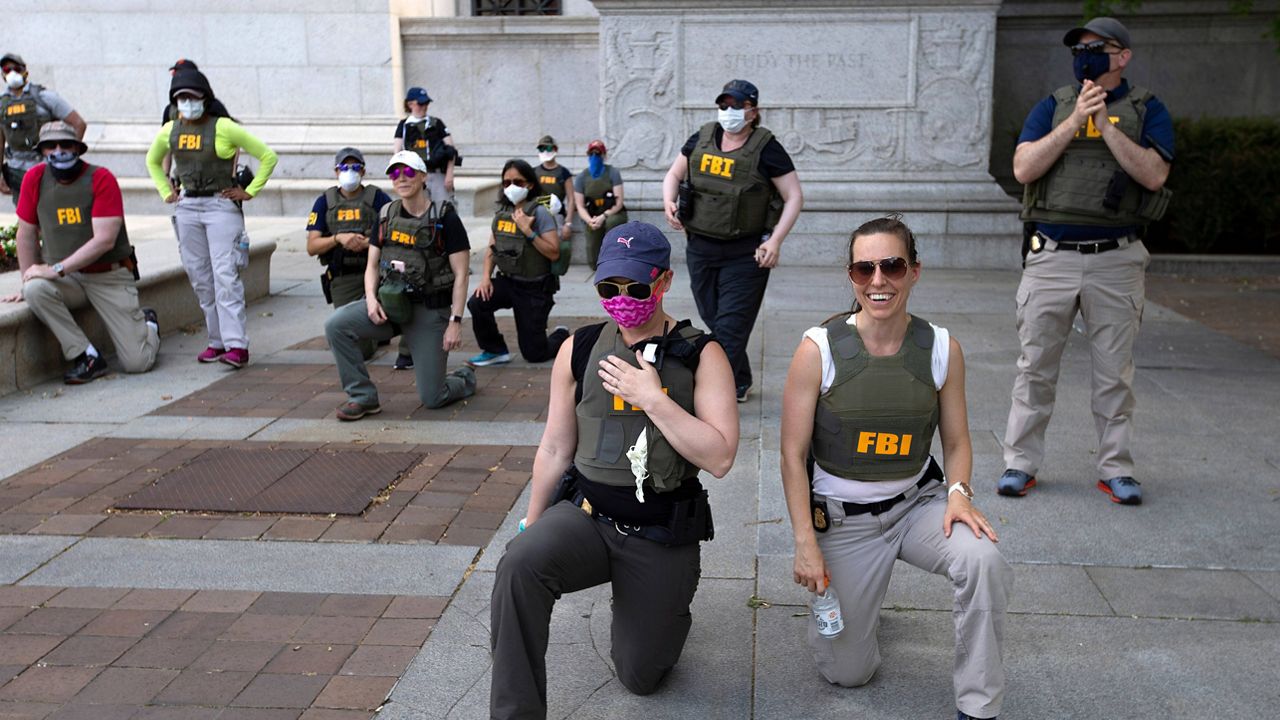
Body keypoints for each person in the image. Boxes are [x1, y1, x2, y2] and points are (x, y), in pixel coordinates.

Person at [489, 221, 739, 720]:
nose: (622, 299)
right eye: (609, 288)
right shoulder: (579, 347)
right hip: (587, 517)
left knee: (640, 675)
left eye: (636, 288)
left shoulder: (701, 353)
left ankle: (653, 608)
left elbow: (720, 457)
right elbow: (555, 446)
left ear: (664, 282)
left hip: (660, 532)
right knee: (519, 565)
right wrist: (533, 520)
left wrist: (653, 399)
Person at [780, 215, 1011, 720]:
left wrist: (959, 493)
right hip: (843, 519)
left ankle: (979, 706)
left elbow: (957, 440)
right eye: (864, 269)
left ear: (915, 271)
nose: (878, 280)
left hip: (917, 506)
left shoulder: (942, 348)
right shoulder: (818, 350)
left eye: (893, 266)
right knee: (848, 673)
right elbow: (792, 455)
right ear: (851, 276)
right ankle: (858, 604)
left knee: (984, 560)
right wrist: (804, 541)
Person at [999, 17, 1173, 506]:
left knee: (1114, 373)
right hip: (1052, 256)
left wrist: (1105, 126)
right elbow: (1023, 167)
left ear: (1123, 56)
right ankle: (1019, 464)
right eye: (1079, 49)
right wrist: (1076, 119)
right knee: (1035, 367)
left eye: (1098, 48)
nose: (1086, 56)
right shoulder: (1053, 106)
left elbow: (1154, 175)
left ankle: (1116, 469)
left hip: (1116, 257)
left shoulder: (1147, 108)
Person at [662, 79, 803, 403]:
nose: (729, 111)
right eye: (724, 105)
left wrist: (775, 241)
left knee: (729, 327)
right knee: (713, 316)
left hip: (745, 254)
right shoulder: (703, 137)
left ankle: (711, 396)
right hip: (700, 247)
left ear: (753, 111)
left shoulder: (767, 147)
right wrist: (669, 200)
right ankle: (739, 379)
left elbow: (794, 196)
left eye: (737, 105)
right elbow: (674, 174)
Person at [1, 122, 159, 383]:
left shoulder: (101, 178)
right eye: (50, 146)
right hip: (69, 280)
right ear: (42, 151)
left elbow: (104, 241)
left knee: (138, 363)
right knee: (34, 289)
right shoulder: (34, 178)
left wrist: (56, 269)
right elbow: (25, 233)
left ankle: (149, 323)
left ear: (77, 148)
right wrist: (27, 277)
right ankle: (86, 355)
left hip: (109, 277)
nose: (58, 150)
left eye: (66, 144)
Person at [323, 150, 475, 421]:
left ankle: (464, 376)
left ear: (423, 176)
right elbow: (372, 265)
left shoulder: (444, 218)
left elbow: (461, 274)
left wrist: (455, 322)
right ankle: (362, 397)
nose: (401, 178)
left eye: (408, 172)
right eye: (394, 173)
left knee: (433, 398)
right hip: (390, 305)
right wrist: (371, 300)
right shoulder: (385, 214)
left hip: (429, 310)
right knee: (336, 325)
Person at [145, 68, 277, 369]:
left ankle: (236, 345)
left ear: (205, 98)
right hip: (188, 206)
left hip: (220, 206)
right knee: (200, 277)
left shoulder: (224, 127)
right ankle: (216, 341)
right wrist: (166, 190)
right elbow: (151, 161)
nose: (187, 103)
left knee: (225, 275)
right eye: (181, 98)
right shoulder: (170, 130)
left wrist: (249, 191)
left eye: (192, 97)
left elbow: (268, 156)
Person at [466, 159, 570, 367]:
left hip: (534, 289)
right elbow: (492, 248)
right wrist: (485, 278)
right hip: (508, 281)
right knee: (477, 302)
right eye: (506, 183)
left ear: (530, 184)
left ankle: (561, 335)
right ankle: (495, 350)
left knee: (535, 354)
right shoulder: (504, 212)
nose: (511, 187)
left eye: (518, 182)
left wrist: (528, 231)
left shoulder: (540, 212)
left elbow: (554, 253)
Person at [305, 147, 394, 361]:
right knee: (359, 350)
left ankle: (382, 332)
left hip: (378, 275)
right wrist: (338, 238)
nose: (350, 171)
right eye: (344, 167)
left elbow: (395, 234)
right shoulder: (325, 201)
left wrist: (369, 243)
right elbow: (312, 246)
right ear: (336, 171)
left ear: (363, 171)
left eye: (355, 167)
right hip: (344, 278)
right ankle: (374, 335)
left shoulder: (377, 198)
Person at [0, 53, 87, 205]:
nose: (12, 73)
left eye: (17, 69)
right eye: (7, 70)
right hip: (16, 170)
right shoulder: (2, 104)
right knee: (25, 213)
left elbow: (78, 124)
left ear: (25, 71)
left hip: (46, 167)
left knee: (51, 210)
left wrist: (68, 158)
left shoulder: (44, 97)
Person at [393, 86, 456, 206]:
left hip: (437, 174)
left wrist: (450, 173)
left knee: (444, 209)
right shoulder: (404, 125)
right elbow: (397, 153)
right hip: (415, 175)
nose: (424, 107)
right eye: (420, 104)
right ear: (410, 104)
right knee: (419, 210)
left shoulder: (436, 123)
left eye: (426, 103)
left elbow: (451, 150)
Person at [573, 140, 627, 270]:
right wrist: (589, 220)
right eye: (591, 153)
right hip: (592, 215)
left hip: (612, 212)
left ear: (604, 155)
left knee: (612, 223)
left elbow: (619, 202)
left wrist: (603, 216)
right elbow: (580, 205)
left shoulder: (613, 172)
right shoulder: (581, 177)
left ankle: (615, 261)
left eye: (598, 153)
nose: (595, 156)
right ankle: (598, 265)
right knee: (593, 252)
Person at [533, 134, 574, 269]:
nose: (546, 151)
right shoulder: (534, 172)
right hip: (538, 213)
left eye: (549, 148)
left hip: (557, 215)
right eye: (542, 148)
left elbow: (571, 198)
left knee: (555, 248)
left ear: (555, 149)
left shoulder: (563, 172)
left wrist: (568, 223)